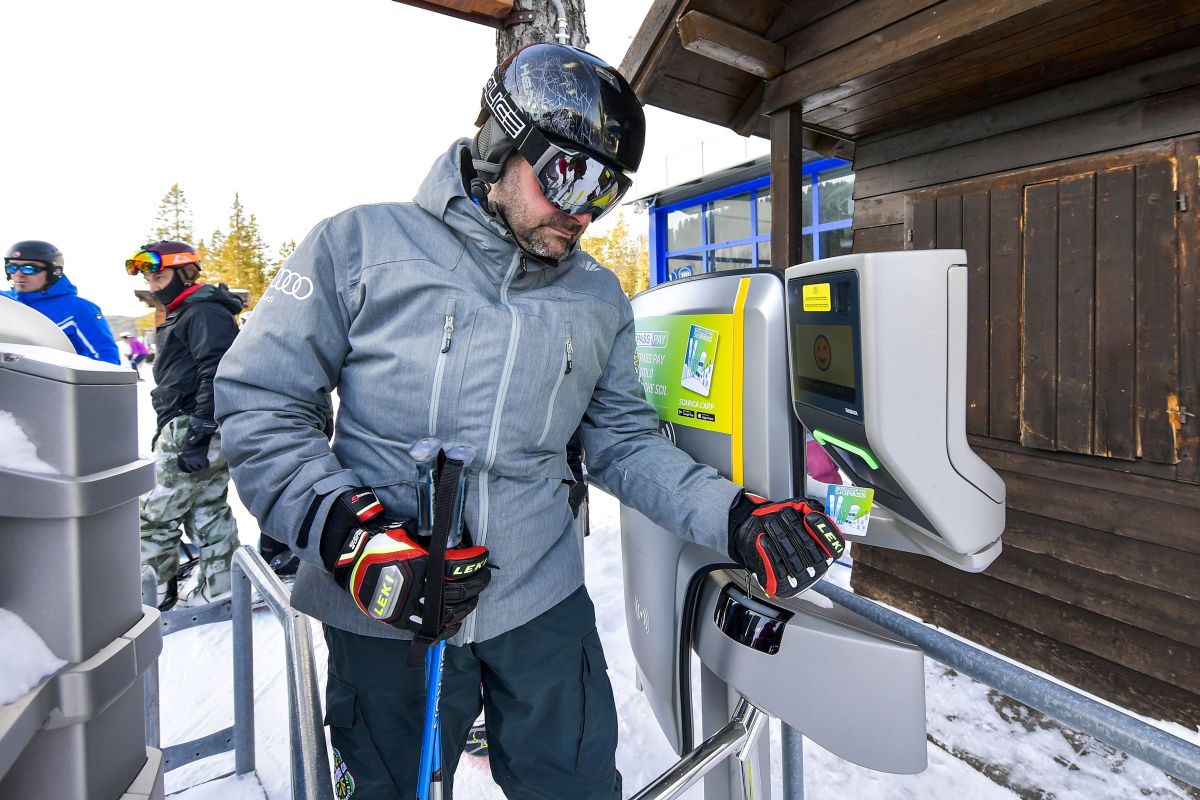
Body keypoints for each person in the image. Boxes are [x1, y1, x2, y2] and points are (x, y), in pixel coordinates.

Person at [213, 44, 845, 799]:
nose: (585, 210)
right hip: (388, 610)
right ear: (501, 142)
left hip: (540, 608)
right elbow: (262, 402)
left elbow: (622, 444)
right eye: (569, 175)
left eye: (608, 189)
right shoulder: (360, 247)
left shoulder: (596, 298)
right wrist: (353, 538)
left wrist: (734, 516)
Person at [125, 241, 243, 610]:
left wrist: (198, 432)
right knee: (206, 507)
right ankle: (221, 585)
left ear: (186, 272)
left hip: (193, 425)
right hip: (191, 425)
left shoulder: (203, 312)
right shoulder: (188, 311)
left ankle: (152, 593)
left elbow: (217, 371)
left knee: (153, 517)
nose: (152, 284)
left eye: (159, 275)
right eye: (149, 278)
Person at [4, 240, 120, 364]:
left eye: (29, 268)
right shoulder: (5, 302)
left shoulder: (79, 309)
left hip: (53, 375)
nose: (18, 274)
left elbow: (107, 359)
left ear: (53, 272)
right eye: (12, 267)